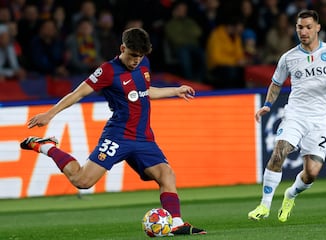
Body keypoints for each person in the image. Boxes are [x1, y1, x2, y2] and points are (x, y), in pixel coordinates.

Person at [20, 27, 206, 236]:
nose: (137, 60)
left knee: (166, 175)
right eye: (133, 55)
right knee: (82, 181)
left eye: (141, 56)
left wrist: (175, 90)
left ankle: (176, 223)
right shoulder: (108, 71)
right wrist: (50, 114)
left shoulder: (144, 64)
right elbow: (78, 93)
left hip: (143, 138)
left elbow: (144, 92)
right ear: (122, 48)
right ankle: (47, 146)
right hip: (118, 136)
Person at [248, 10, 326, 222]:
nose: (304, 31)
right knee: (279, 153)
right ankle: (264, 206)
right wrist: (267, 105)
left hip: (321, 121)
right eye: (300, 27)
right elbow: (276, 83)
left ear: (318, 28)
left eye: (308, 27)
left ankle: (290, 195)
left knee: (311, 173)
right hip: (296, 115)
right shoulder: (289, 58)